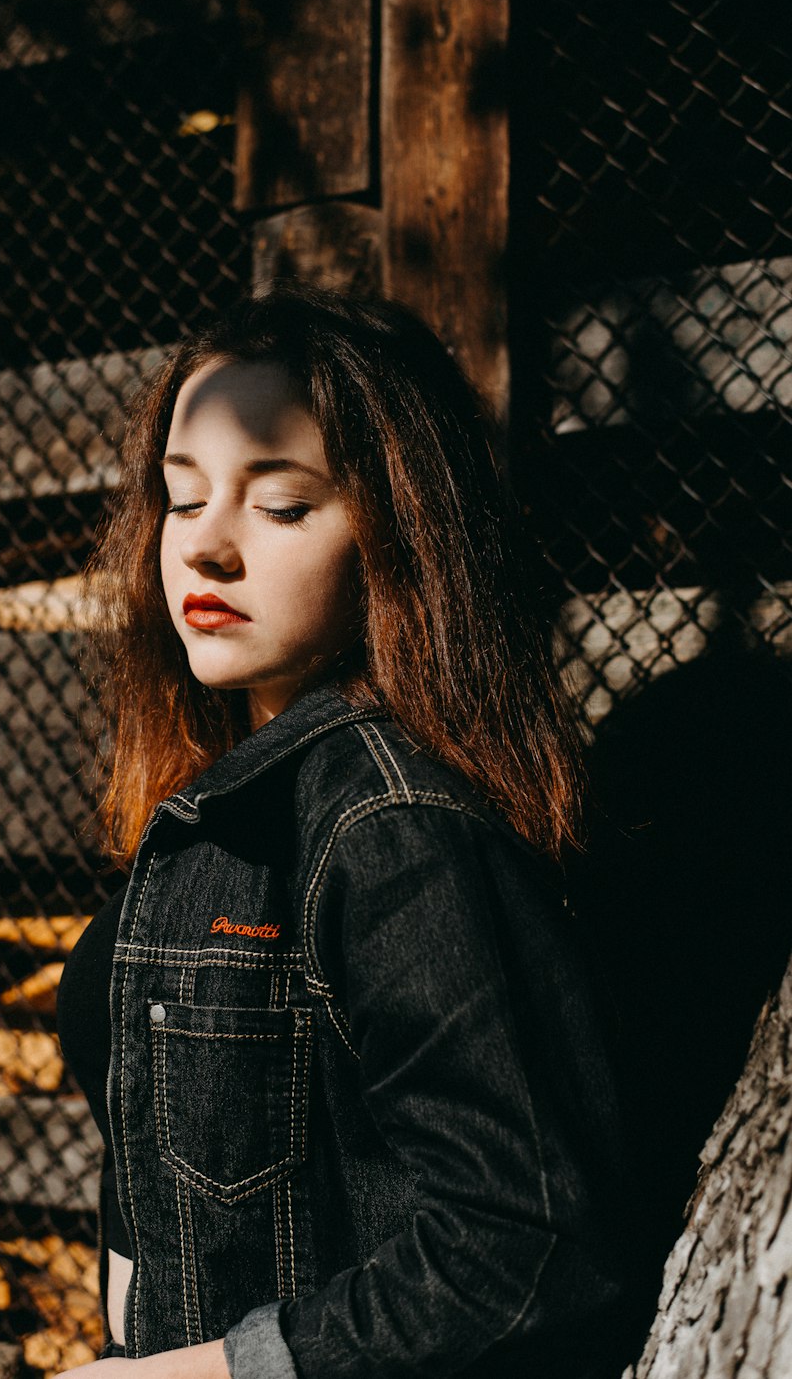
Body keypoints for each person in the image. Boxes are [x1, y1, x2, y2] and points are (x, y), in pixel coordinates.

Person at [55, 283, 629, 1378]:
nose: (207, 549)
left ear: (396, 535)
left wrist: (213, 1373)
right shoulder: (230, 804)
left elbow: (525, 1245)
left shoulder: (388, 823)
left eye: (279, 505)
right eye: (181, 500)